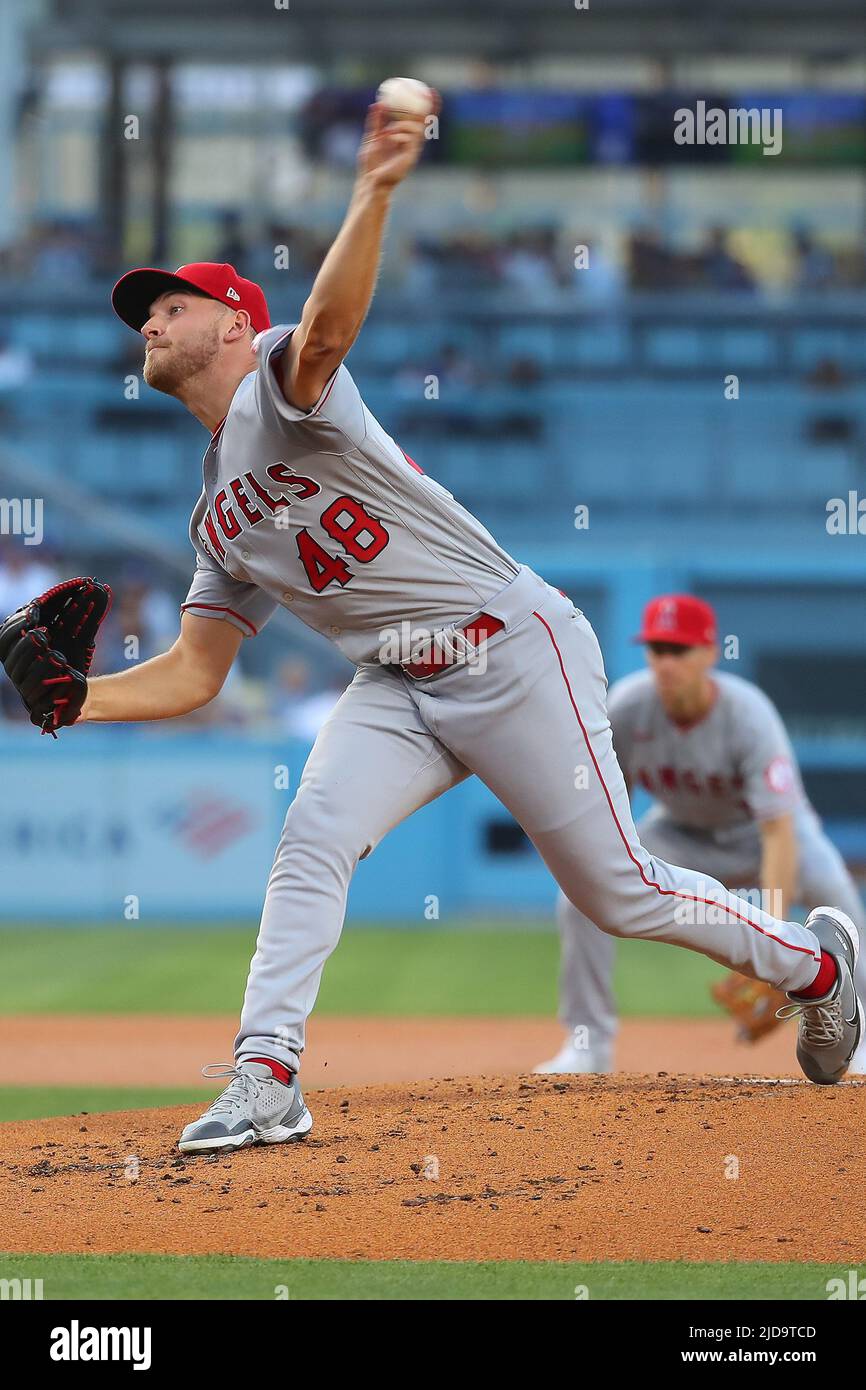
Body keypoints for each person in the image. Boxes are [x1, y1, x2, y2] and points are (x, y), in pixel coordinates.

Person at [49, 95, 861, 1152]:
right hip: (395, 681)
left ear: (233, 323)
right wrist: (81, 700)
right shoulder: (214, 512)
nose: (148, 323)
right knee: (310, 841)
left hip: (508, 644)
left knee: (618, 892)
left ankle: (817, 966)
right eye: (141, 316)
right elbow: (197, 672)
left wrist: (373, 189)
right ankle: (266, 1076)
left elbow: (334, 324)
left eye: (169, 307)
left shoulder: (286, 382)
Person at [536, 595, 866, 1074]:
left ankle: (858, 1037)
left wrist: (772, 946)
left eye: (679, 649)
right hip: (682, 834)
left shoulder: (748, 715)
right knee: (579, 898)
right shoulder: (629, 708)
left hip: (762, 836)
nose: (666, 662)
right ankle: (589, 1043)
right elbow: (613, 805)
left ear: (709, 654)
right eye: (657, 649)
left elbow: (778, 833)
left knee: (837, 892)